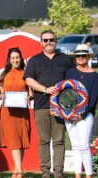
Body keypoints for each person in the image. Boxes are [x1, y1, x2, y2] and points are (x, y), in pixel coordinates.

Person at [24, 29, 74, 178]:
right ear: (41, 43)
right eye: (45, 40)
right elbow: (29, 80)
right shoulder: (34, 60)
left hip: (61, 106)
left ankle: (58, 173)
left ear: (55, 41)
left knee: (59, 141)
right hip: (41, 105)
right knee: (44, 141)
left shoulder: (65, 59)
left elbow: (72, 81)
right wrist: (46, 89)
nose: (48, 42)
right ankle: (45, 173)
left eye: (51, 39)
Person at [64, 44, 98, 178]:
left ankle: (89, 175)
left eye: (83, 55)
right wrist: (65, 112)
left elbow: (93, 99)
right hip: (69, 114)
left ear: (88, 56)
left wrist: (81, 115)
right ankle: (78, 175)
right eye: (78, 55)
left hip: (85, 116)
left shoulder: (95, 76)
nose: (80, 58)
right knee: (75, 146)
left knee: (84, 146)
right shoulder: (70, 72)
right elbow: (64, 92)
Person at [0, 47, 31, 178]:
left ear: (21, 58)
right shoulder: (4, 75)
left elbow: (31, 93)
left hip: (22, 112)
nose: (16, 60)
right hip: (8, 112)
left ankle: (16, 171)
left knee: (21, 142)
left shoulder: (26, 73)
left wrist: (30, 96)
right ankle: (20, 172)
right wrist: (2, 96)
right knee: (14, 141)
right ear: (9, 60)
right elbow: (0, 93)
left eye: (17, 57)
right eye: (13, 58)